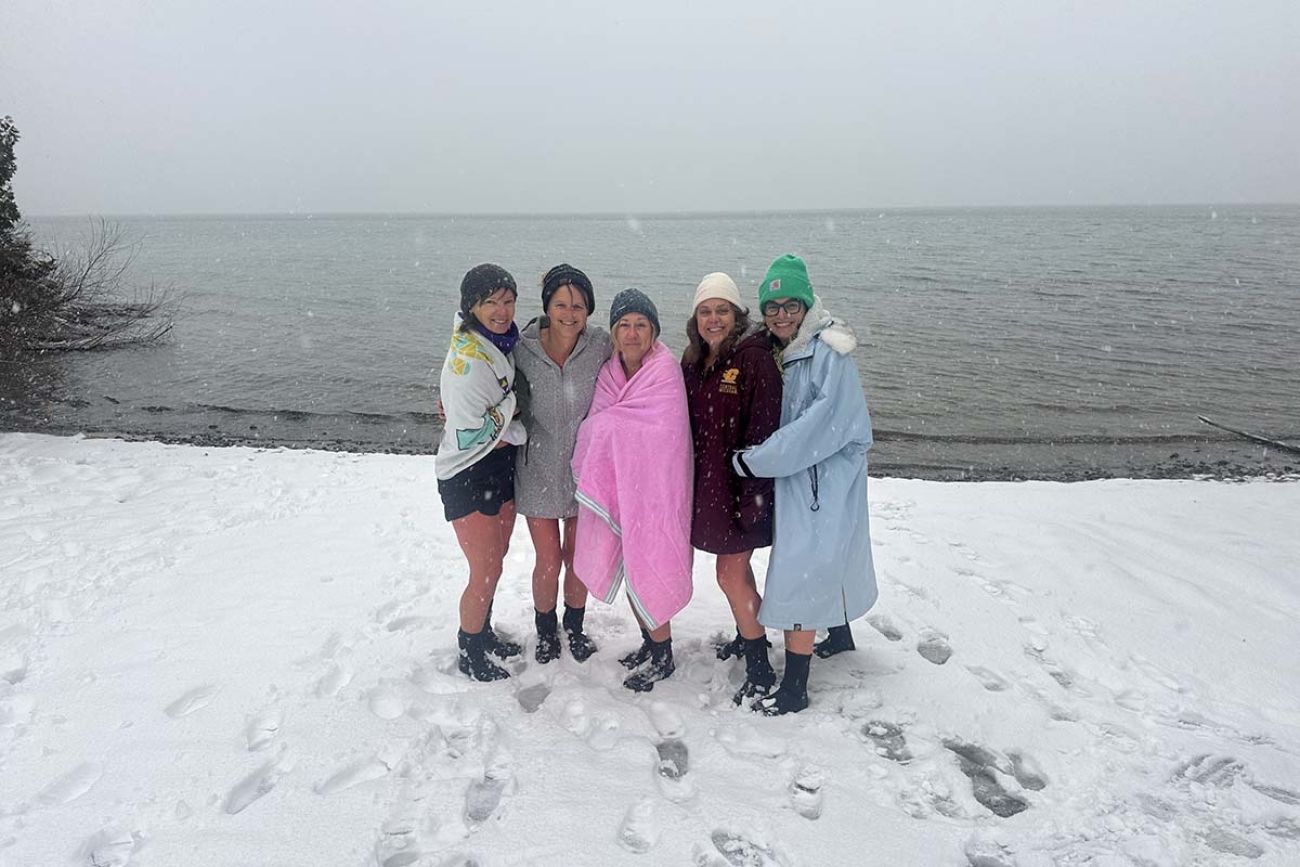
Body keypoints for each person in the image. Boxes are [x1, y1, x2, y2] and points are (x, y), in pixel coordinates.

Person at [731, 254, 878, 714]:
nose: (781, 314)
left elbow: (818, 426)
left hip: (821, 479)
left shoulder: (827, 352)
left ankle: (795, 688)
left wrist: (752, 462)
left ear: (807, 303)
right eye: (771, 306)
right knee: (831, 554)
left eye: (790, 304)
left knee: (803, 568)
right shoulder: (785, 347)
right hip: (811, 476)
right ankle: (839, 631)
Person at [571, 289, 694, 692]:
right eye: (624, 324)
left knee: (650, 564)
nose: (632, 332)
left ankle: (664, 656)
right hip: (621, 489)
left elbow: (662, 434)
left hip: (657, 493)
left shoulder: (665, 372)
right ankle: (649, 643)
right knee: (629, 566)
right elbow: (599, 423)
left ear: (654, 332)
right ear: (613, 331)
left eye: (641, 324)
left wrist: (607, 430)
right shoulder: (608, 373)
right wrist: (607, 430)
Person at [680, 272, 783, 703]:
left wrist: (753, 499)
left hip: (745, 491)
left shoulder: (754, 360)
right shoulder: (694, 361)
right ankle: (748, 634)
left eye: (722, 310)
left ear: (737, 314)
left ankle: (759, 666)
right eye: (705, 311)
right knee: (737, 572)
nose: (713, 318)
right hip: (713, 489)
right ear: (695, 319)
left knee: (728, 574)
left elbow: (765, 433)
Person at [514, 264, 612, 663]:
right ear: (547, 307)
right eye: (561, 304)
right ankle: (545, 630)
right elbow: (481, 377)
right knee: (549, 559)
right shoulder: (521, 348)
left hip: (584, 473)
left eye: (578, 306)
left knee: (577, 557)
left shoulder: (601, 344)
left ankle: (574, 627)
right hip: (536, 468)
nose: (569, 314)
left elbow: (641, 358)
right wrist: (452, 407)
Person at [436, 263, 528, 682]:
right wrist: (516, 412)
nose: (501, 310)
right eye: (489, 302)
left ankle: (483, 631)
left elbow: (497, 416)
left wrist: (507, 419)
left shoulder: (498, 342)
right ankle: (469, 650)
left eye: (507, 301)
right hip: (468, 471)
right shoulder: (469, 362)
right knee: (484, 569)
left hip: (499, 466)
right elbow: (476, 432)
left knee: (498, 558)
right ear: (470, 306)